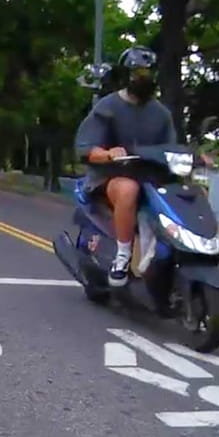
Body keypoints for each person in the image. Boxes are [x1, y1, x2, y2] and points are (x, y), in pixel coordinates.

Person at [73, 46, 178, 287]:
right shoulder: (108, 106)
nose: (143, 78)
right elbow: (87, 147)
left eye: (148, 73)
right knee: (128, 189)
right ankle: (122, 256)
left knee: (191, 194)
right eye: (137, 73)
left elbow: (170, 148)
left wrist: (194, 158)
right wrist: (108, 154)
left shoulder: (161, 114)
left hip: (150, 178)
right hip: (110, 178)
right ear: (125, 75)